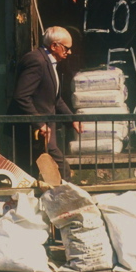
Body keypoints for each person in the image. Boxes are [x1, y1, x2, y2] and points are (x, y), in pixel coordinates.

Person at [7, 26, 82, 178]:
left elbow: (55, 99)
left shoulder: (49, 62)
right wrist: (40, 123)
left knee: (41, 173)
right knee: (61, 169)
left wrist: (72, 119)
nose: (69, 52)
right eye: (67, 48)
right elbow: (21, 96)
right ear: (54, 46)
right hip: (34, 131)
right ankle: (65, 191)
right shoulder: (36, 61)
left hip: (45, 130)